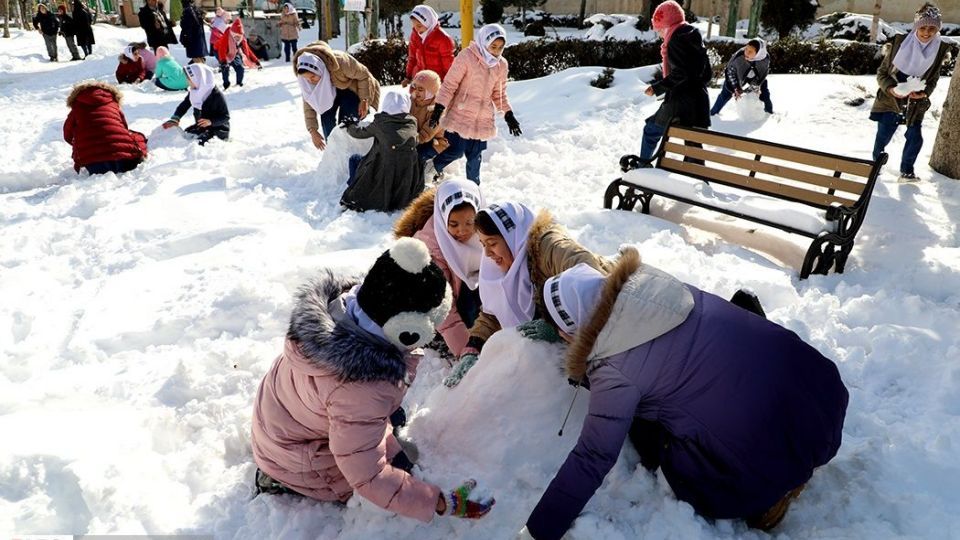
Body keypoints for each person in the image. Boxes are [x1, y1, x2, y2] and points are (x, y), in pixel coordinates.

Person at [520, 249, 850, 539]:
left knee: (645, 432)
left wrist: (538, 531)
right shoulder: (655, 286)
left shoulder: (615, 367)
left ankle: (776, 495)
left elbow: (593, 456)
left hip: (757, 470)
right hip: (822, 403)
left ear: (568, 331)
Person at [250, 238, 496, 523]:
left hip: (281, 422)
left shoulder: (350, 309)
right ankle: (281, 480)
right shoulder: (357, 389)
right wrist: (440, 503)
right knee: (380, 477)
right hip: (298, 459)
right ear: (408, 331)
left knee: (387, 438)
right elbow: (369, 477)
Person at [443, 202, 610, 387]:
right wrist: (473, 346)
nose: (488, 253)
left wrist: (555, 326)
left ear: (511, 237)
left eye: (492, 243)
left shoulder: (551, 248)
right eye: (483, 245)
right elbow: (493, 313)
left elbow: (595, 284)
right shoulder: (504, 261)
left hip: (614, 326)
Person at [393, 180, 485, 357]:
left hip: (458, 297)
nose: (463, 231)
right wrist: (466, 350)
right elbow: (440, 306)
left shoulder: (484, 232)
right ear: (443, 220)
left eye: (470, 222)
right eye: (454, 224)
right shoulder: (430, 251)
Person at [620, 0, 711, 171]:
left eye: (660, 29)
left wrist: (657, 87)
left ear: (669, 25)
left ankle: (643, 168)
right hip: (699, 105)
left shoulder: (676, 40)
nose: (660, 35)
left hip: (679, 105)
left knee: (651, 130)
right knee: (692, 145)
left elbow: (681, 73)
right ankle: (699, 180)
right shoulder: (694, 38)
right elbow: (707, 75)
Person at [427, 24, 521, 184]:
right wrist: (439, 108)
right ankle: (433, 168)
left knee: (475, 156)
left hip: (481, 117)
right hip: (460, 114)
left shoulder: (501, 65)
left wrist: (508, 114)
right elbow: (450, 85)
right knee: (455, 150)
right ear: (484, 42)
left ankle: (474, 187)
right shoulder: (467, 57)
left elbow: (499, 93)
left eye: (500, 47)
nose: (496, 51)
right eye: (493, 46)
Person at [870, 2, 950, 183]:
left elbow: (933, 79)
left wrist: (924, 93)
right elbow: (882, 73)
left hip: (914, 104)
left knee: (915, 139)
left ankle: (906, 171)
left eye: (932, 28)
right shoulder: (899, 45)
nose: (927, 32)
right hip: (891, 101)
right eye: (923, 27)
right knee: (883, 135)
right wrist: (891, 88)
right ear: (916, 27)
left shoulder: (938, 51)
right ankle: (876, 165)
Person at [340, 91, 422, 212]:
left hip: (385, 171)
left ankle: (354, 187)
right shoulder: (412, 122)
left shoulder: (380, 123)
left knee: (355, 159)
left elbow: (359, 133)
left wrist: (350, 125)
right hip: (408, 175)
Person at [293, 41, 381, 150]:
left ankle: (351, 150)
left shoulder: (340, 62)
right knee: (326, 118)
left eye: (312, 77)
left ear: (319, 69)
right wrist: (313, 130)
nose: (310, 81)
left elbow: (363, 75)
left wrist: (364, 100)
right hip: (329, 94)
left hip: (351, 88)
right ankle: (333, 151)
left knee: (346, 123)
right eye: (306, 79)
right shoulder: (307, 81)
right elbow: (309, 103)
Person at [63, 81, 148, 175]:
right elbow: (124, 126)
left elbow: (67, 135)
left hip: (94, 163)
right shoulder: (113, 104)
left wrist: (82, 143)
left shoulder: (77, 107)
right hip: (125, 158)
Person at [162, 63, 230, 145]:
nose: (187, 81)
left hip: (217, 128)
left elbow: (225, 117)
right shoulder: (194, 92)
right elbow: (184, 105)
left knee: (201, 142)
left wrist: (211, 121)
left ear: (198, 78)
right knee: (187, 132)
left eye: (189, 79)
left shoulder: (216, 95)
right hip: (202, 127)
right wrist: (176, 118)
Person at [710, 37, 773, 116]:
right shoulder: (739, 57)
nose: (746, 52)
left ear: (758, 53)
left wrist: (751, 89)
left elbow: (762, 74)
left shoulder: (764, 59)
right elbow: (730, 72)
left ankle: (769, 112)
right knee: (725, 94)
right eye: (746, 49)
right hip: (735, 78)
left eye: (750, 51)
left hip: (756, 79)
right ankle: (712, 114)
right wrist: (736, 88)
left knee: (765, 94)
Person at [408, 69, 449, 173]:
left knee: (416, 157)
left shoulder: (438, 109)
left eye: (421, 89)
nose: (416, 92)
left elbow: (428, 131)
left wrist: (412, 141)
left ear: (431, 91)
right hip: (415, 139)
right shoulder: (412, 101)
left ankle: (429, 171)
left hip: (434, 142)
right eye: (415, 88)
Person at [403, 5, 454, 84]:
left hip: (437, 82)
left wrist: (448, 84)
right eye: (414, 26)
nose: (416, 29)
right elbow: (412, 57)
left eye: (419, 26)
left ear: (428, 22)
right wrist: (408, 76)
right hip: (419, 80)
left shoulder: (443, 39)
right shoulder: (415, 35)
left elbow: (448, 65)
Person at [214, 18, 262, 89]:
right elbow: (222, 49)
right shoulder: (227, 36)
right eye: (235, 36)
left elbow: (248, 51)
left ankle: (239, 84)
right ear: (232, 34)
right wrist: (223, 61)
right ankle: (226, 84)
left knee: (240, 68)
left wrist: (256, 61)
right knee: (225, 68)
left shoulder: (242, 39)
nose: (237, 38)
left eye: (239, 36)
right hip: (220, 51)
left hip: (234, 53)